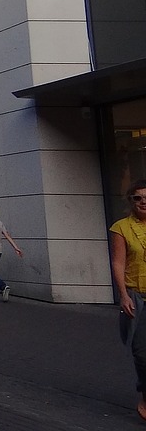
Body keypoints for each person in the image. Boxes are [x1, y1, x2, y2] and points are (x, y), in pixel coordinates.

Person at [110, 180, 146, 422]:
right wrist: (123, 295)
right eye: (138, 198)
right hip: (137, 297)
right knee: (142, 353)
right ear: (130, 201)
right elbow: (118, 263)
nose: (144, 202)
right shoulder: (120, 228)